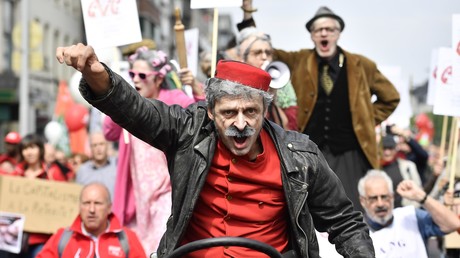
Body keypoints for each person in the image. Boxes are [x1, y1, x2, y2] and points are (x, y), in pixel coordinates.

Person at [56, 44, 375, 258]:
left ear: (264, 111)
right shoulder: (186, 131)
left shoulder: (301, 155)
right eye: (228, 113)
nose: (241, 124)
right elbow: (136, 110)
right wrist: (96, 73)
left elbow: (346, 223)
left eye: (250, 112)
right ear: (209, 111)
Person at [241, 1, 400, 211]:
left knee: (351, 211)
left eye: (330, 29)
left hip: (350, 154)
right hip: (310, 151)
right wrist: (247, 20)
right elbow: (264, 51)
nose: (324, 34)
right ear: (312, 35)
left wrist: (366, 120)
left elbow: (391, 97)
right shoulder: (299, 60)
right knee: (310, 209)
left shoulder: (362, 65)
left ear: (338, 33)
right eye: (318, 30)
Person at [103, 46, 204, 255]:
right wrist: (116, 101)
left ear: (158, 78)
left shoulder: (175, 99)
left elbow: (203, 115)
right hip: (139, 195)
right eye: (132, 74)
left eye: (142, 75)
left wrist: (195, 86)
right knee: (140, 247)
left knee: (161, 245)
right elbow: (108, 132)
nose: (136, 79)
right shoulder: (130, 104)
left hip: (168, 192)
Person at [358, 170, 460, 257]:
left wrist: (421, 197)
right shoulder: (355, 234)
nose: (380, 204)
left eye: (384, 197)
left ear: (392, 196)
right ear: (363, 201)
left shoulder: (410, 216)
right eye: (373, 199)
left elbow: (453, 224)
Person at [37, 182, 146, 258]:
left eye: (98, 203)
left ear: (109, 208)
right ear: (79, 207)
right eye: (86, 203)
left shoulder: (126, 238)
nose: (92, 210)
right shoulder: (63, 237)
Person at [13, 134, 74, 258]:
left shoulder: (52, 173)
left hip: (43, 238)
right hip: (17, 239)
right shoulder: (16, 175)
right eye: (25, 149)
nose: (29, 152)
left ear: (40, 150)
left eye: (32, 147)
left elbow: (65, 200)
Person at [235, 27, 298, 131]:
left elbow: (288, 128)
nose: (264, 57)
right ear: (244, 59)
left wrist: (272, 97)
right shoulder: (235, 85)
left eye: (268, 53)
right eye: (257, 53)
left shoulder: (281, 83)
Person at [380, 134, 422, 208]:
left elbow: (418, 190)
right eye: (384, 149)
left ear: (396, 149)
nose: (387, 152)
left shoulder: (408, 166)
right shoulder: (375, 169)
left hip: (405, 212)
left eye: (390, 148)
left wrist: (412, 209)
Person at [75, 132, 117, 202]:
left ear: (107, 145)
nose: (98, 148)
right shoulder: (83, 170)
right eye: (94, 145)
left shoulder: (116, 165)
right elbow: (77, 197)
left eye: (101, 144)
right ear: (90, 148)